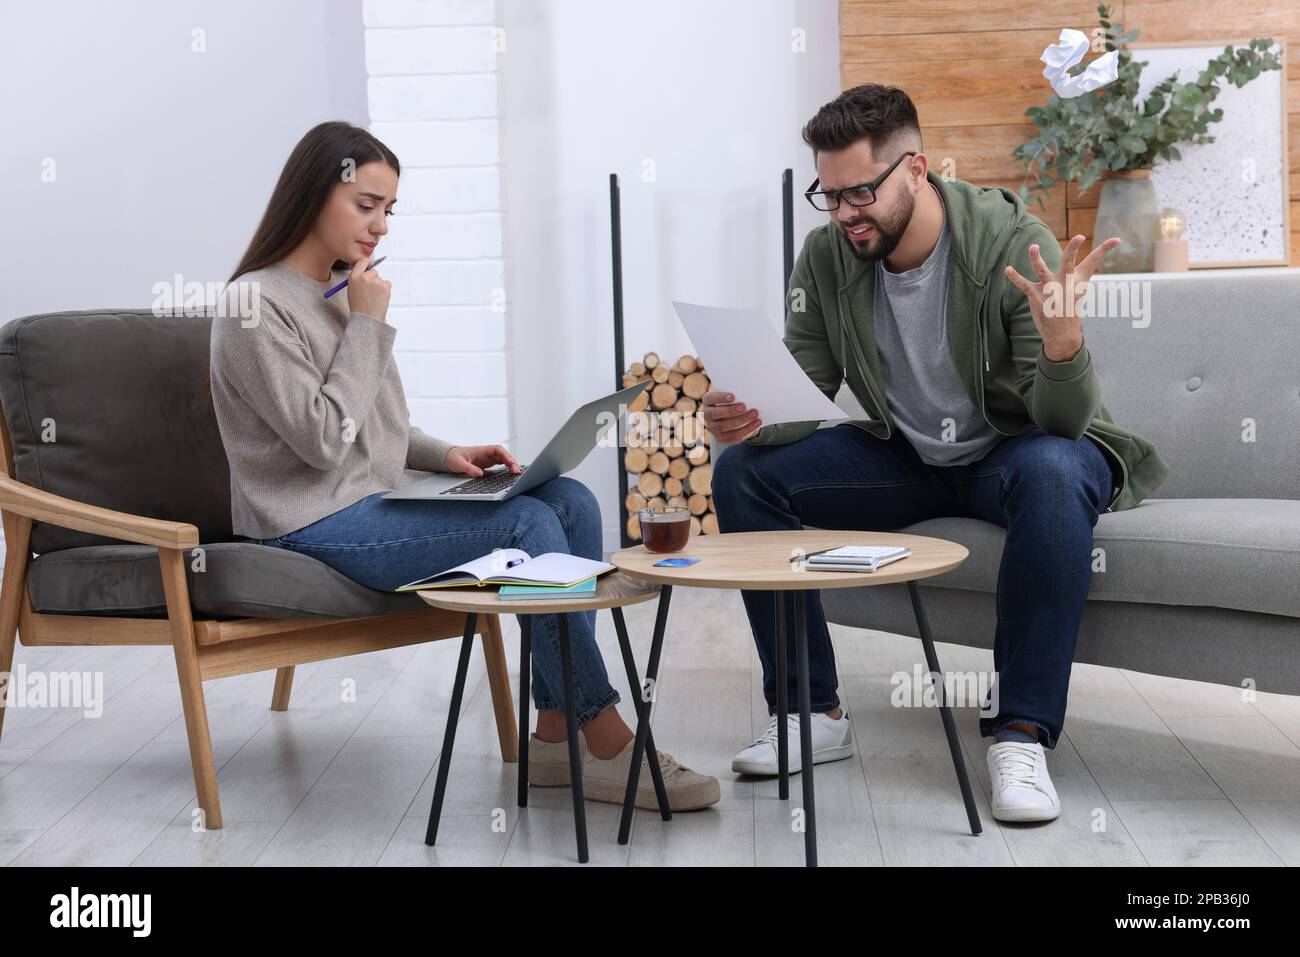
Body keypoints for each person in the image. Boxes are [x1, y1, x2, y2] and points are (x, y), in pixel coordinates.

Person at [210, 121, 719, 812]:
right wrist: (367, 326)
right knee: (525, 522)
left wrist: (441, 453)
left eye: (390, 210)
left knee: (569, 501)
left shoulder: (340, 290)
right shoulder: (255, 306)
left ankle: (552, 732)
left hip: (368, 504)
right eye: (367, 205)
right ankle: (605, 733)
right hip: (305, 522)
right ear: (313, 195)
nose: (381, 226)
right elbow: (325, 441)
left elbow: (369, 422)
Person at [704, 85, 1168, 823]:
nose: (846, 213)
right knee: (743, 475)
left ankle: (1019, 733)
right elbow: (801, 393)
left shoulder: (1012, 245)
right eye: (829, 195)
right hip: (907, 458)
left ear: (916, 169)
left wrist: (1063, 347)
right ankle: (811, 714)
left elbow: (1062, 421)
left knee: (1054, 470)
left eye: (861, 191)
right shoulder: (828, 257)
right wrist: (748, 420)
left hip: (1014, 452)